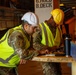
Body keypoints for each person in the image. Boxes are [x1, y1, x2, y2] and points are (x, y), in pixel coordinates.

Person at [33, 8, 64, 75]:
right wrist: (46, 48)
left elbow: (60, 42)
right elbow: (34, 43)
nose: (56, 25)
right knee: (51, 73)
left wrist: (61, 47)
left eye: (58, 24)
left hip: (56, 57)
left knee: (58, 73)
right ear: (51, 18)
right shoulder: (40, 27)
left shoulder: (58, 29)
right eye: (55, 23)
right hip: (46, 57)